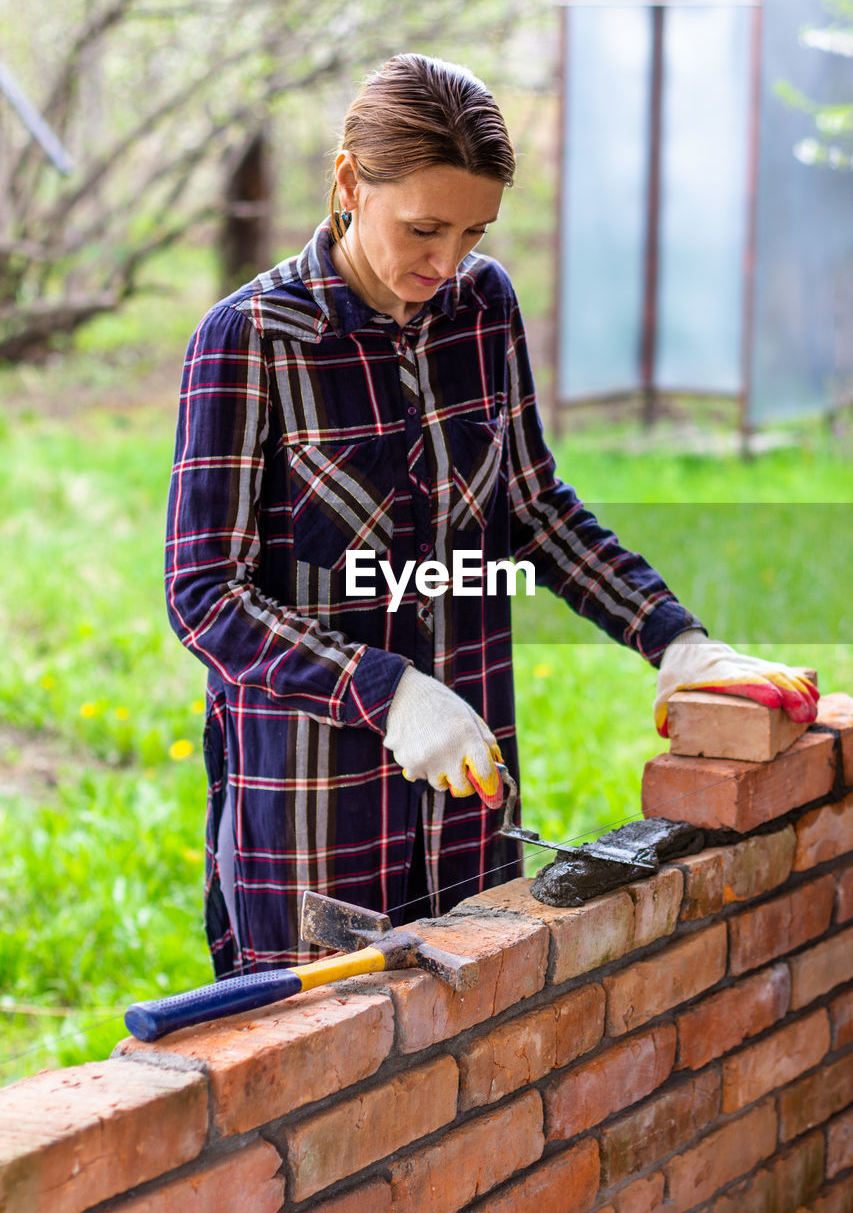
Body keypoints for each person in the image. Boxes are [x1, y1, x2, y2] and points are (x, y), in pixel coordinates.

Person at [165, 53, 819, 979]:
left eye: (473, 231)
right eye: (424, 228)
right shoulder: (252, 339)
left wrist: (672, 639)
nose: (447, 262)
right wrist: (385, 689)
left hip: (468, 801)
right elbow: (203, 596)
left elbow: (530, 508)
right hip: (312, 808)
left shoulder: (482, 307)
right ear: (351, 182)